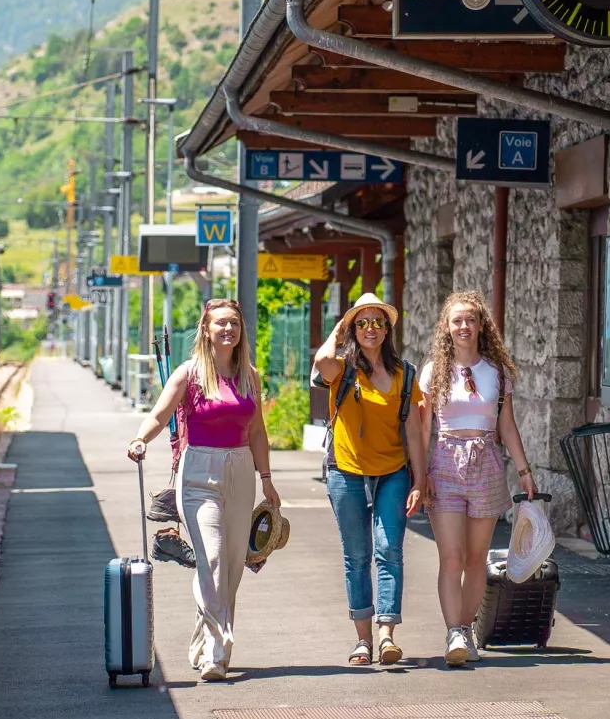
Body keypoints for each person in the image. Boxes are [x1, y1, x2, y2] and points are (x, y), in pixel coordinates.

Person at [128, 299, 279, 681]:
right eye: (221, 324)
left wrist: (266, 478)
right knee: (210, 559)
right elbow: (159, 414)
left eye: (234, 323)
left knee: (230, 567)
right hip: (198, 472)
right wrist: (141, 439)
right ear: (206, 330)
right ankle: (216, 650)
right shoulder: (189, 373)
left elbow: (257, 430)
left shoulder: (250, 375)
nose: (228, 329)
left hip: (241, 469)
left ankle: (201, 639)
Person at [418, 291, 534, 667]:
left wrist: (524, 471)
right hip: (445, 462)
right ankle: (453, 631)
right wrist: (420, 476)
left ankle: (465, 630)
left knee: (475, 558)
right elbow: (422, 430)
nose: (464, 326)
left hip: (486, 462)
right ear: (446, 328)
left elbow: (508, 425)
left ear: (481, 324)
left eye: (470, 319)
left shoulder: (496, 371)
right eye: (456, 320)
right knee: (451, 557)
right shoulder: (434, 370)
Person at [311, 292, 427, 666]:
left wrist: (420, 480)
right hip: (346, 472)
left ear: (388, 328)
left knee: (389, 551)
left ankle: (387, 635)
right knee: (357, 557)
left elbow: (412, 430)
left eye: (378, 322)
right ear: (352, 328)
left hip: (393, 472)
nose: (370, 329)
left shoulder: (404, 373)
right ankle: (362, 641)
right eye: (362, 323)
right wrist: (341, 327)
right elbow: (321, 361)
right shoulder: (343, 368)